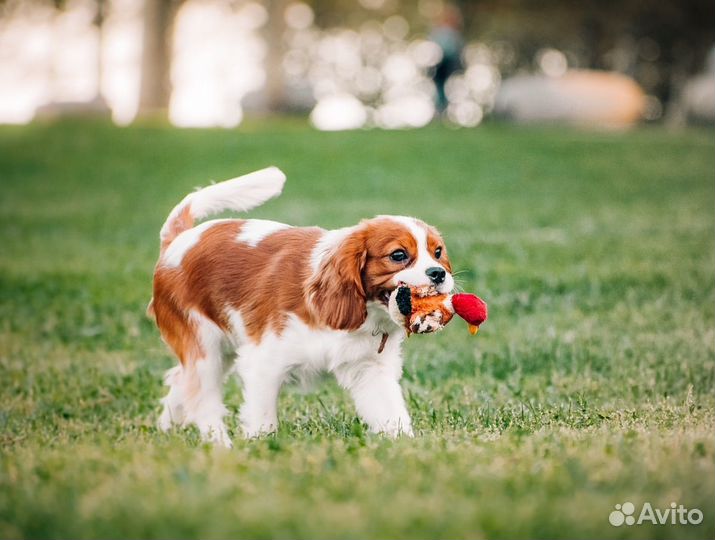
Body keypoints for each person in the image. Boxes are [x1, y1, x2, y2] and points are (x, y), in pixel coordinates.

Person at [430, 4, 464, 113]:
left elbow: (457, 49)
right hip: (440, 64)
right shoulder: (440, 32)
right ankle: (441, 108)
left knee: (449, 87)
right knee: (440, 86)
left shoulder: (453, 33)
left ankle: (446, 109)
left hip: (448, 64)